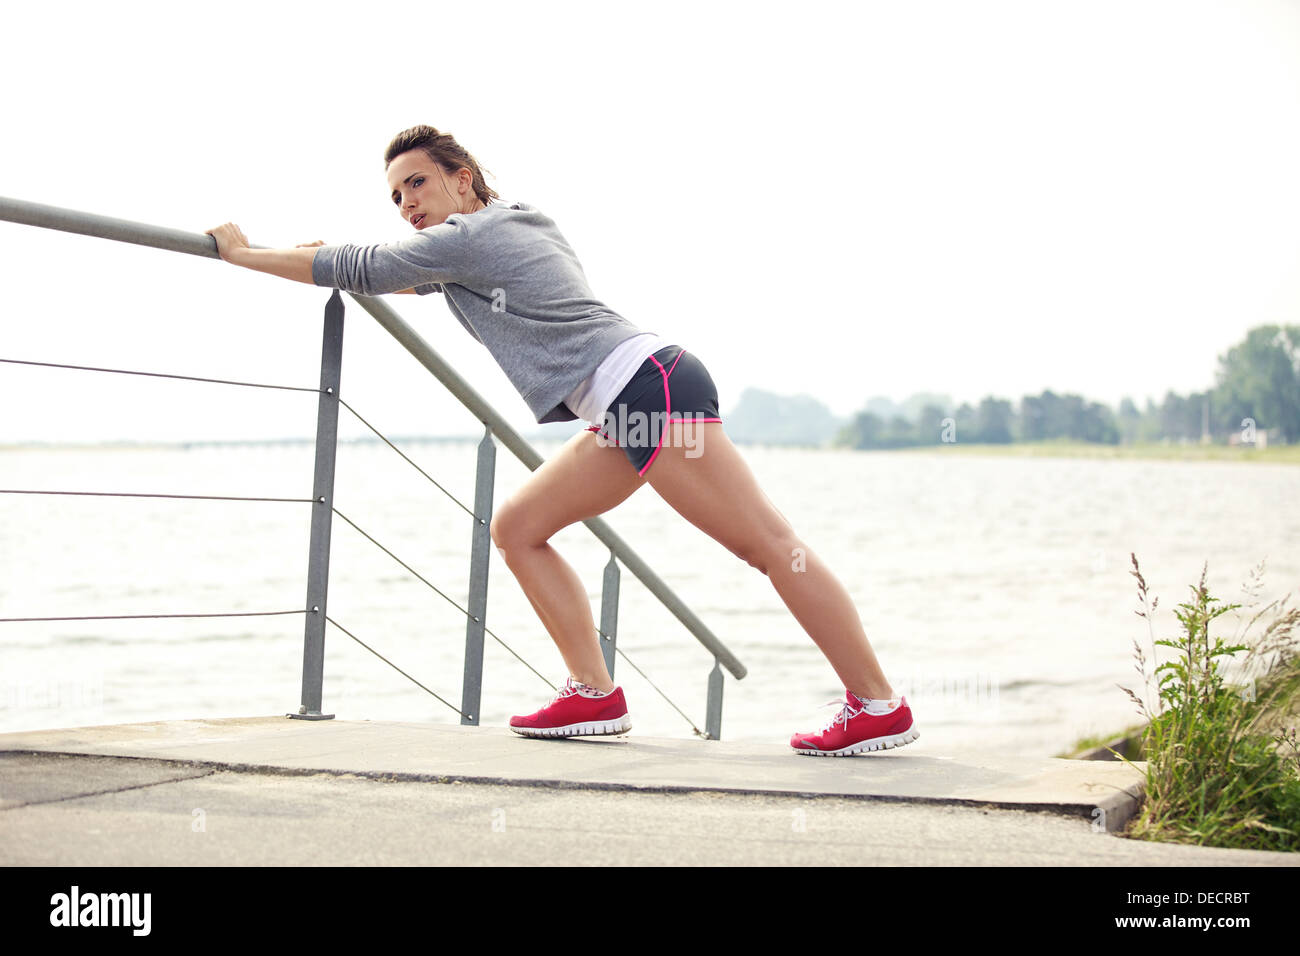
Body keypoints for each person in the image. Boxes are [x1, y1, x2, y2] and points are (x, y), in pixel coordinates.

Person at [205, 124, 918, 757]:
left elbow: (369, 269)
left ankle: (878, 704)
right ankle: (594, 694)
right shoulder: (499, 232)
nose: (406, 204)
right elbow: (401, 275)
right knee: (519, 527)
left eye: (416, 183)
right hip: (628, 400)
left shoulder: (473, 237)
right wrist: (326, 253)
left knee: (767, 544)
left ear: (463, 179)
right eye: (394, 196)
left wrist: (247, 255)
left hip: (648, 391)